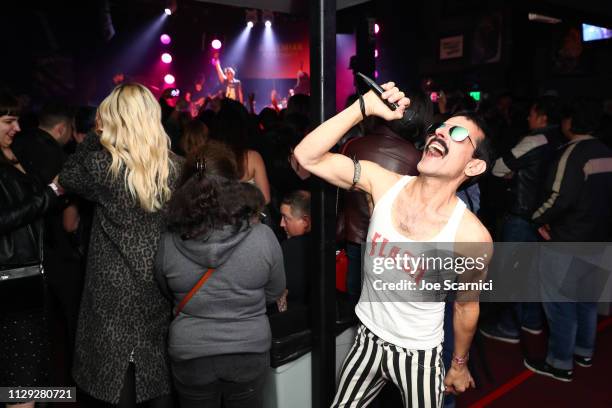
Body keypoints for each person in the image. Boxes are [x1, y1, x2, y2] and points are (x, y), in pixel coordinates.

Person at [294, 82, 493, 407]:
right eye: (439, 127)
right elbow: (306, 156)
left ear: (473, 166)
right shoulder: (383, 182)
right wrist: (363, 107)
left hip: (420, 355)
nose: (440, 133)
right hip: (367, 341)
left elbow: (465, 306)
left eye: (456, 134)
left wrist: (458, 364)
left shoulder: (472, 236)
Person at [58, 83, 183, 407]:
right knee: (154, 369)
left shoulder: (104, 166)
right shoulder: (176, 167)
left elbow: (67, 175)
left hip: (112, 286)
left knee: (112, 376)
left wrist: (92, 138)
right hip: (160, 277)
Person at [155, 142, 285, 408]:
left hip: (192, 354)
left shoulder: (169, 241)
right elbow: (274, 291)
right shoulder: (262, 236)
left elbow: (166, 289)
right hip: (248, 350)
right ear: (235, 183)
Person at [524, 98, 612, 382]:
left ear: (571, 122)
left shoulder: (572, 153)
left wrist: (535, 218)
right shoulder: (607, 152)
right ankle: (584, 351)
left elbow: (558, 198)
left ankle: (560, 363)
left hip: (567, 240)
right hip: (600, 240)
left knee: (561, 304)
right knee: (586, 301)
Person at [0, 92, 64, 408]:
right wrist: (51, 193)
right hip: (10, 284)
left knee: (35, 384)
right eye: (8, 121)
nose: (16, 128)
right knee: (20, 387)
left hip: (30, 279)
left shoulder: (14, 155)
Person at [481, 96, 562, 344]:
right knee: (533, 272)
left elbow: (499, 166)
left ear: (543, 116)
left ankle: (509, 327)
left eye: (533, 113)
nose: (528, 117)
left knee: (512, 272)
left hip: (522, 213)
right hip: (545, 215)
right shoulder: (560, 139)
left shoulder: (536, 139)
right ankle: (531, 320)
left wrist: (508, 171)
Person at [280, 190, 312, 305]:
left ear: (305, 221)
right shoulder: (326, 241)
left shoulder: (289, 249)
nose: (282, 224)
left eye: (286, 218)